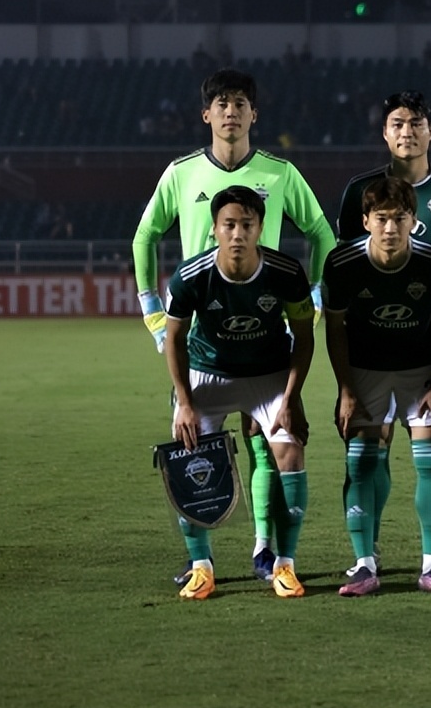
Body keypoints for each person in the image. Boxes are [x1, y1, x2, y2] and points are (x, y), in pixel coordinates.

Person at [133, 68, 336, 586]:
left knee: (267, 444)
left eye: (240, 103)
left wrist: (314, 294)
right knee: (196, 446)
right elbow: (145, 236)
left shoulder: (280, 173)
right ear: (206, 114)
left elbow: (320, 231)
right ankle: (200, 559)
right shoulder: (181, 173)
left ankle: (267, 548)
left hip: (265, 331)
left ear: (253, 114)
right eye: (221, 103)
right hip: (203, 333)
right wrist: (152, 308)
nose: (230, 112)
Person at [335, 90, 431, 578]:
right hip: (373, 341)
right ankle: (369, 548)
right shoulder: (360, 190)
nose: (407, 132)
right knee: (372, 439)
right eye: (398, 123)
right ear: (385, 133)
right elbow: (349, 261)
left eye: (416, 123)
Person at [163, 186, 316, 600]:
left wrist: (291, 398)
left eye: (247, 225)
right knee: (188, 455)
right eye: (229, 225)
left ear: (260, 228)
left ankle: (285, 565)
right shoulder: (190, 276)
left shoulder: (286, 272)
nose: (237, 234)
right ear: (214, 229)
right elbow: (174, 339)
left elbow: (304, 338)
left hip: (268, 375)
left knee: (290, 452)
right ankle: (201, 567)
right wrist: (184, 402)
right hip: (207, 374)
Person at [323, 176, 431, 598]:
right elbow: (335, 329)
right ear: (365, 221)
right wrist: (346, 389)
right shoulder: (342, 263)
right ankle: (364, 566)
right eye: (382, 218)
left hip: (419, 366)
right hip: (365, 367)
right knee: (360, 462)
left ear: (413, 220)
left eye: (400, 218)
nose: (390, 228)